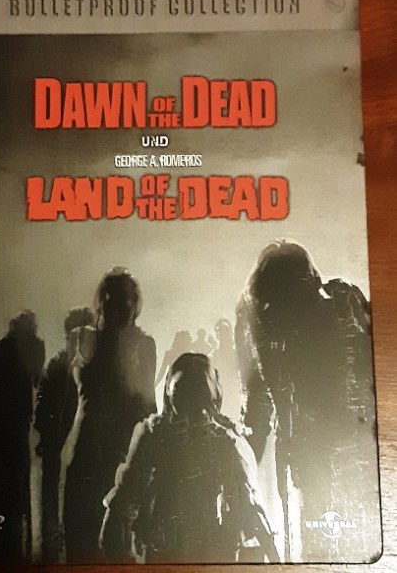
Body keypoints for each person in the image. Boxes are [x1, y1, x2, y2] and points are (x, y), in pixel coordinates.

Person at [235, 240, 378, 561]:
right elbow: (258, 406)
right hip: (315, 454)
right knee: (325, 544)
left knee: (332, 543)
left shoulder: (343, 308)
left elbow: (257, 409)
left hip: (336, 451)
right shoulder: (342, 309)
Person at [100, 353, 279, 564]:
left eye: (197, 395)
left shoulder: (222, 440)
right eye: (185, 394)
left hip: (205, 547)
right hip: (170, 547)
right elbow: (121, 507)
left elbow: (250, 503)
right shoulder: (156, 435)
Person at [62, 267, 156, 563]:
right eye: (117, 297)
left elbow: (148, 407)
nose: (124, 305)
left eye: (129, 298)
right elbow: (65, 399)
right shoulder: (80, 338)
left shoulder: (144, 345)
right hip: (86, 453)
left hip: (121, 457)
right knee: (82, 546)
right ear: (103, 300)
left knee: (115, 549)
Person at [0, 310, 45, 563]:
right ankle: (16, 541)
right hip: (17, 424)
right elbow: (36, 379)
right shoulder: (33, 348)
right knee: (17, 481)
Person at [34, 307, 94, 563]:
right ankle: (57, 541)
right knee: (57, 490)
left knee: (63, 491)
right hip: (62, 438)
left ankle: (60, 543)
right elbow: (43, 396)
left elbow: (42, 396)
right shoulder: (61, 364)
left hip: (68, 439)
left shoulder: (75, 366)